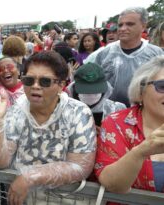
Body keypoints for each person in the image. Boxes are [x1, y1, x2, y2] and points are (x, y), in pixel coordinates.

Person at [0, 51, 96, 205]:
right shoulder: (17, 111)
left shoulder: (78, 113)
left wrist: (30, 177)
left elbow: (80, 166)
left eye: (45, 81)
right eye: (29, 80)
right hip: (22, 199)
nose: (35, 86)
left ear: (61, 85)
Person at [95, 56, 164, 194]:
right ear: (140, 91)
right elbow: (111, 184)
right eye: (162, 86)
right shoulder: (117, 123)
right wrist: (140, 152)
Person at [94, 7, 164, 107]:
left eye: (130, 24)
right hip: (109, 115)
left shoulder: (156, 54)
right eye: (120, 25)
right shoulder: (104, 53)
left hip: (144, 113)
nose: (123, 28)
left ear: (143, 26)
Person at [67, 62, 126, 127]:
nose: (91, 95)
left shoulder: (116, 110)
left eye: (95, 92)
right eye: (86, 91)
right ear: (74, 88)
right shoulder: (65, 109)